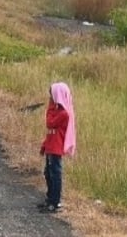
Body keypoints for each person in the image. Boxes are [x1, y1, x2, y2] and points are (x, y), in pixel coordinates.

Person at [39, 82, 77, 213]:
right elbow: (50, 133)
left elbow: (49, 124)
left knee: (55, 174)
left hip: (56, 149)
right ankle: (50, 198)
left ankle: (56, 202)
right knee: (48, 173)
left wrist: (49, 106)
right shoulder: (57, 111)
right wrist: (44, 145)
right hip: (51, 147)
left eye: (52, 96)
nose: (50, 98)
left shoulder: (63, 114)